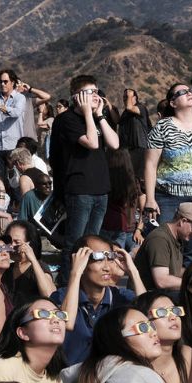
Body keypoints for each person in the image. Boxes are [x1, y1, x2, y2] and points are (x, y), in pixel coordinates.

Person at [51, 74, 120, 283]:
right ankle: (65, 285)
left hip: (101, 189)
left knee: (93, 243)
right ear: (76, 97)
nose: (95, 96)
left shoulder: (97, 117)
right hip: (79, 189)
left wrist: (99, 116)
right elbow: (92, 142)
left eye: (97, 91)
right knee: (75, 244)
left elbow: (115, 144)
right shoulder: (67, 120)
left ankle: (86, 284)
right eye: (89, 92)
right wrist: (90, 114)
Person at [53, 235, 146, 365]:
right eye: (98, 258)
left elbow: (149, 317)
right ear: (80, 262)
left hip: (110, 376)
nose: (107, 267)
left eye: (110, 258)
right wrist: (75, 273)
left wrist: (134, 273)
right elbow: (66, 324)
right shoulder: (62, 296)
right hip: (70, 378)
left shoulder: (120, 297)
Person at [144, 82, 192, 265]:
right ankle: (164, 289)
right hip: (168, 197)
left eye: (190, 91)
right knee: (165, 245)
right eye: (182, 92)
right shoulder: (162, 127)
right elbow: (150, 164)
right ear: (172, 103)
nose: (190, 93)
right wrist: (150, 199)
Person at [134, 292, 192, 383]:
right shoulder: (134, 362)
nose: (173, 317)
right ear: (144, 323)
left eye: (175, 311)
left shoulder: (186, 354)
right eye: (162, 313)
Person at [134, 202, 192, 294]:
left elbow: (174, 270)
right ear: (183, 221)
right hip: (146, 297)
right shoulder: (159, 239)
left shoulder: (177, 237)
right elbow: (162, 281)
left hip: (160, 294)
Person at [2, 221, 56, 308]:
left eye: (17, 242)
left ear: (30, 244)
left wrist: (33, 259)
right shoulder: (7, 268)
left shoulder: (39, 267)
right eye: (8, 241)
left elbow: (50, 296)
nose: (11, 246)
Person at [100, 148, 144, 252]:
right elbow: (144, 208)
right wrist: (139, 229)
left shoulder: (104, 181)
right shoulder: (134, 183)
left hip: (107, 226)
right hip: (129, 230)